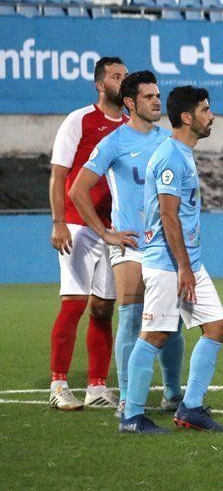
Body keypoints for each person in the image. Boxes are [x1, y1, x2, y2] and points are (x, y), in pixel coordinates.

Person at [70, 70, 185, 418]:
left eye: (157, 95)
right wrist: (106, 234)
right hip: (130, 243)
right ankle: (125, 398)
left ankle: (171, 393)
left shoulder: (169, 140)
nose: (157, 101)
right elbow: (77, 190)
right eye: (149, 97)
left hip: (163, 244)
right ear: (131, 103)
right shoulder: (114, 142)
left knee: (171, 322)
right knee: (132, 319)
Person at [119, 86, 223, 434]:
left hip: (188, 263)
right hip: (168, 264)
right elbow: (169, 216)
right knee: (155, 336)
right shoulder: (170, 156)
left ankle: (191, 408)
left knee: (217, 327)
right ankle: (132, 416)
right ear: (187, 117)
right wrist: (183, 267)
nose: (212, 116)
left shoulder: (182, 152)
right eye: (206, 110)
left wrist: (189, 265)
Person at [48, 56, 126, 410]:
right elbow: (59, 175)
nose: (122, 81)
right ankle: (59, 386)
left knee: (103, 309)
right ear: (100, 83)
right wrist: (58, 220)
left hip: (112, 229)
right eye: (115, 76)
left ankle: (97, 387)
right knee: (74, 303)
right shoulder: (79, 120)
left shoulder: (128, 126)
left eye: (125, 76)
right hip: (78, 225)